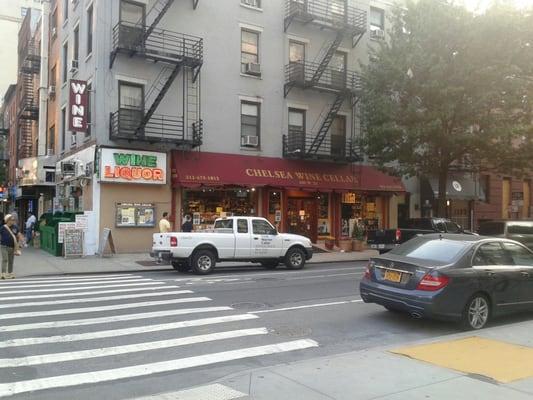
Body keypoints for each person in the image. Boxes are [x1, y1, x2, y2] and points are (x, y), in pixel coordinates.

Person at [1, 214, 21, 279]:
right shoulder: (3, 228)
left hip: (12, 247)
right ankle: (3, 273)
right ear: (7, 220)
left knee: (11, 260)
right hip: (4, 246)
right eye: (12, 220)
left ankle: (10, 273)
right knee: (5, 259)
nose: (13, 221)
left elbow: (19, 235)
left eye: (13, 220)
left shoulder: (15, 227)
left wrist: (21, 243)